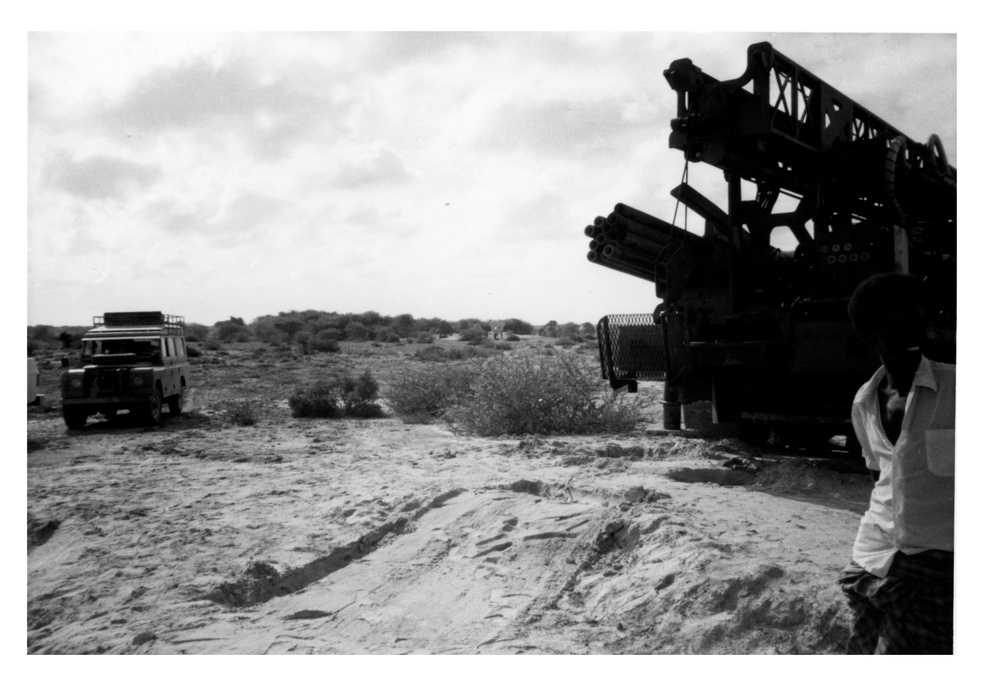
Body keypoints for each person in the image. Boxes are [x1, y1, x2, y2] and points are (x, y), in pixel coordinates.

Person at [838, 272, 955, 654]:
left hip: (937, 566)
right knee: (858, 653)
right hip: (871, 558)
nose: (914, 337)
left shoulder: (962, 389)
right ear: (871, 335)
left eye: (917, 324)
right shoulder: (863, 402)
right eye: (898, 328)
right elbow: (880, 478)